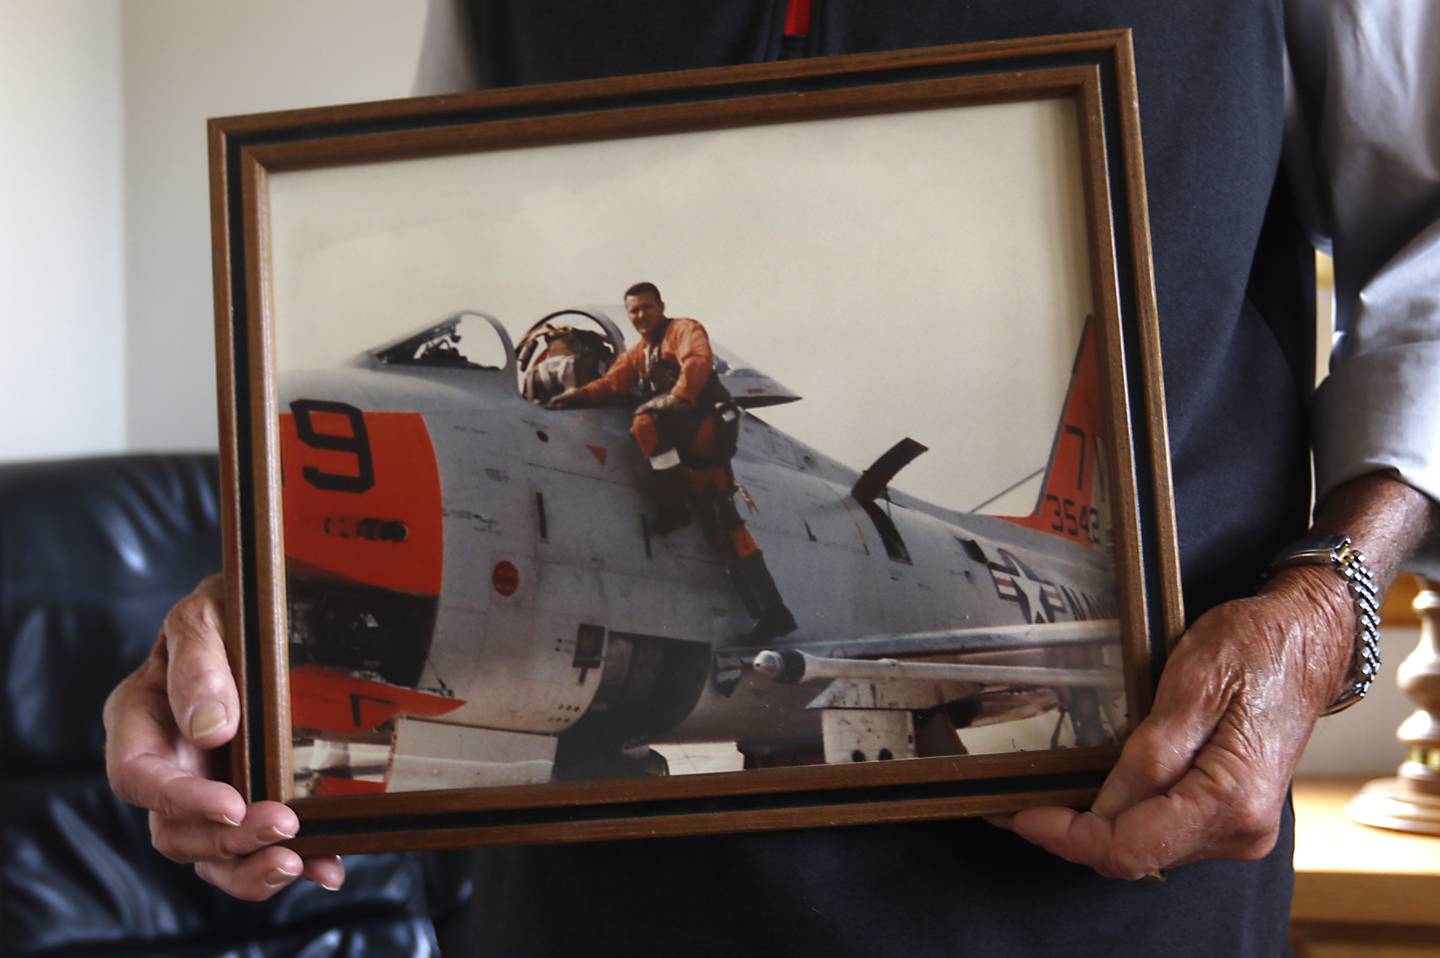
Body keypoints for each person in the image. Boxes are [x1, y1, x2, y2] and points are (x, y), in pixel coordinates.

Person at [104, 2, 1440, 953]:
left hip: (1101, 886)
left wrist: (1328, 602)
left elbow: (1427, 254)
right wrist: (267, 653)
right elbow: (472, 220)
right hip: (588, 911)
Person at [549, 282, 797, 641]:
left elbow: (697, 363)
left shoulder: (684, 330)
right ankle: (773, 612)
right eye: (633, 311)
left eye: (646, 308)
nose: (639, 316)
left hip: (705, 428)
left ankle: (676, 502)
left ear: (660, 306)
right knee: (722, 529)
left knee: (645, 422)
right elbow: (612, 383)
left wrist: (677, 397)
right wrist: (574, 397)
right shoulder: (640, 353)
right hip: (685, 436)